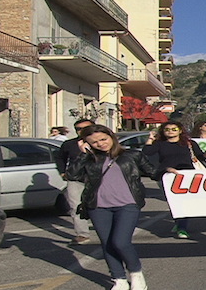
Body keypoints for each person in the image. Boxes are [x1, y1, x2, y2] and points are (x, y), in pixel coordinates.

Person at [66, 124, 153, 290]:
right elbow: (72, 175)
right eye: (94, 142)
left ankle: (136, 273)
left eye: (103, 139)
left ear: (112, 137)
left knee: (120, 242)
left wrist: (174, 170)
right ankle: (118, 278)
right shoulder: (89, 159)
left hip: (128, 204)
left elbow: (153, 172)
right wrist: (82, 154)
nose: (101, 144)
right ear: (87, 143)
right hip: (98, 206)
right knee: (107, 243)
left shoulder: (131, 155)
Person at [143, 121, 206, 239]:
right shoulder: (160, 144)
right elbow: (147, 152)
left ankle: (182, 227)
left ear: (180, 130)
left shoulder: (189, 143)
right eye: (167, 129)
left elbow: (201, 156)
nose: (170, 131)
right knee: (173, 202)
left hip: (187, 175)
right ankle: (179, 223)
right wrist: (151, 139)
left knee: (184, 202)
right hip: (167, 176)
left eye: (174, 129)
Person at [56, 119, 95, 245]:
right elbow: (60, 158)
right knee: (75, 206)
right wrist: (62, 172)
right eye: (78, 129)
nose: (82, 131)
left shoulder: (100, 142)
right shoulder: (69, 144)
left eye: (86, 128)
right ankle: (82, 234)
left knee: (101, 205)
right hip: (76, 179)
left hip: (97, 179)